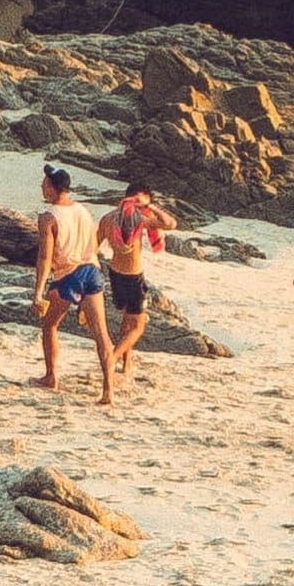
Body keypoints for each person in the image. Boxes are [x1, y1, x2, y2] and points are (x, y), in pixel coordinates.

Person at [31, 165, 114, 406]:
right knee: (101, 335)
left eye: (44, 183)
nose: (41, 187)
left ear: (51, 188)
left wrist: (38, 292)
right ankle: (108, 391)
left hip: (68, 275)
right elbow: (94, 242)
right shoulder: (83, 210)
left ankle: (51, 376)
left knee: (49, 325)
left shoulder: (48, 217)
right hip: (92, 271)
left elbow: (45, 257)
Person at [98, 181, 177, 384]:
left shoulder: (108, 218)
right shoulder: (139, 220)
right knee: (138, 326)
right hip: (133, 276)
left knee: (127, 319)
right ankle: (113, 358)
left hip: (114, 273)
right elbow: (170, 224)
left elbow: (93, 245)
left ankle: (127, 363)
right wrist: (149, 207)